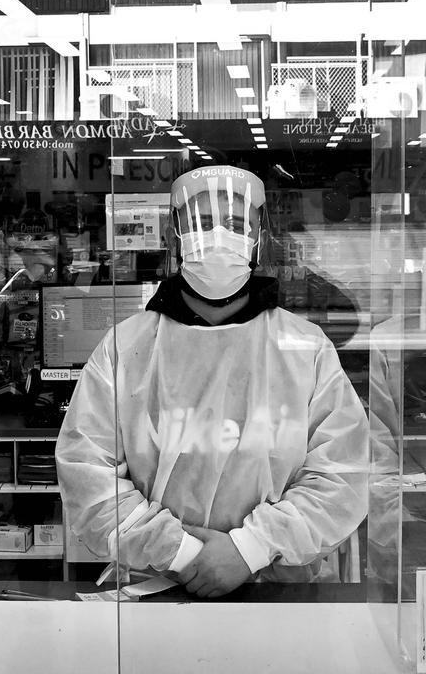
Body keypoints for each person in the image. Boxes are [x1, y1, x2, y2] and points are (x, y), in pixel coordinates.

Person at [55, 165, 369, 597]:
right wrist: (182, 554)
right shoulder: (126, 348)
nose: (219, 236)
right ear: (172, 236)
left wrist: (250, 548)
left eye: (237, 224)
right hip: (160, 583)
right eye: (202, 222)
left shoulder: (304, 347)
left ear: (259, 237)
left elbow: (342, 476)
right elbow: (87, 474)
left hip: (281, 589)